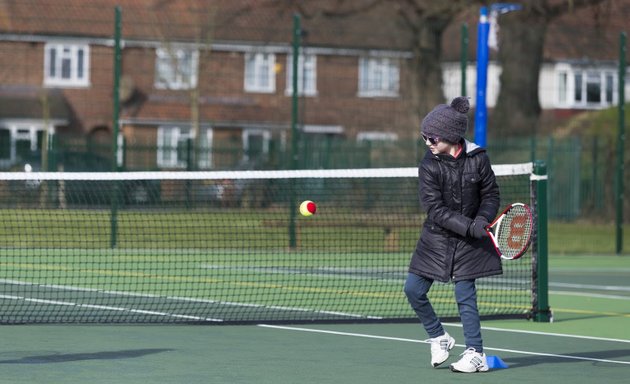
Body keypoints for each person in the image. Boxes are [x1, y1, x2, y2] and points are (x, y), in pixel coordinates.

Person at [403, 96, 501, 373]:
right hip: (436, 238)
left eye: (432, 138)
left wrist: (482, 219)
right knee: (413, 289)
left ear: (450, 136)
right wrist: (469, 226)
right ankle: (439, 336)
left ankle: (476, 353)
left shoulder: (479, 158)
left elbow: (490, 194)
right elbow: (435, 210)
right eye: (425, 137)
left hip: (471, 241)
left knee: (464, 294)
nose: (428, 143)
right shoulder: (429, 164)